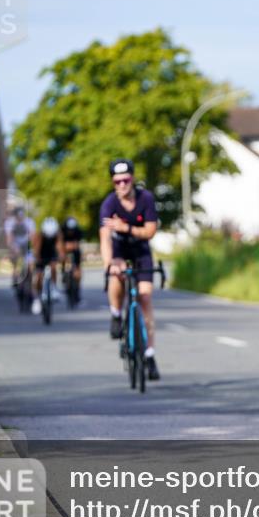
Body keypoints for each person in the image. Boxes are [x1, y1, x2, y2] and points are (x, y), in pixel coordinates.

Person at [99, 159, 160, 380]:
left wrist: (126, 228)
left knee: (145, 298)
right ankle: (116, 314)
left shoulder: (146, 199)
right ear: (113, 183)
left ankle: (150, 354)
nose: (122, 185)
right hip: (119, 251)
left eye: (126, 180)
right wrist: (109, 264)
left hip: (141, 251)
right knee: (117, 276)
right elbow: (105, 238)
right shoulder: (109, 204)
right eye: (118, 181)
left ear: (132, 179)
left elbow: (151, 231)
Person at [31, 217, 63, 315]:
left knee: (53, 268)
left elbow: (60, 247)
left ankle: (53, 288)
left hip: (52, 255)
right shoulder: (39, 236)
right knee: (38, 277)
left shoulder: (58, 235)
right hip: (41, 255)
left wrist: (61, 256)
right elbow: (36, 250)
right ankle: (36, 299)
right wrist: (36, 260)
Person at [4, 206, 36, 289]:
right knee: (14, 255)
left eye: (22, 216)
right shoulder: (10, 223)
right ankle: (15, 272)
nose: (20, 219)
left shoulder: (29, 222)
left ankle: (31, 278)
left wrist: (32, 247)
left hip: (26, 243)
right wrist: (13, 247)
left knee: (31, 263)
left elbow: (33, 236)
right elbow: (9, 238)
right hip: (15, 244)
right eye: (18, 217)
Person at [61, 216, 84, 303]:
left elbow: (78, 243)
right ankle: (64, 273)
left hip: (75, 251)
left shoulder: (78, 231)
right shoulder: (62, 230)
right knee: (62, 257)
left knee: (78, 270)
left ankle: (77, 288)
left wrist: (73, 245)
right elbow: (60, 244)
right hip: (64, 250)